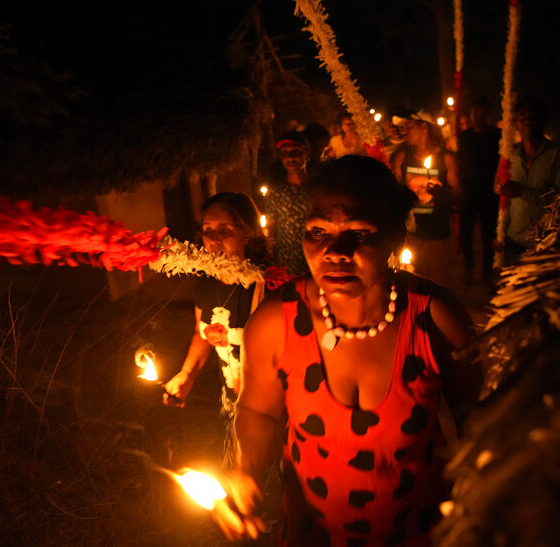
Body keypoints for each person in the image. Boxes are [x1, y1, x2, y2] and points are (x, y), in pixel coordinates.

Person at [213, 156, 482, 545]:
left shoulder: (435, 317)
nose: (334, 252)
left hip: (418, 531)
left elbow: (476, 419)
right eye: (318, 231)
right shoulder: (276, 321)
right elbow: (258, 410)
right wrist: (245, 470)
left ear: (396, 237)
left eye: (357, 233)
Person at [163, 193, 269, 412]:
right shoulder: (207, 279)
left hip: (265, 406)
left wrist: (252, 379)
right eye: (207, 231)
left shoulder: (263, 284)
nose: (213, 240)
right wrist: (187, 374)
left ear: (247, 234)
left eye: (224, 230)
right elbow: (201, 332)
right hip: (230, 401)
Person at [496, 99, 560, 264]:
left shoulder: (558, 154)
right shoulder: (509, 156)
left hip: (546, 243)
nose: (527, 121)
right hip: (513, 243)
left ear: (543, 120)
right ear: (516, 124)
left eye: (532, 117)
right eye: (522, 118)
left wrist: (523, 192)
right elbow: (504, 199)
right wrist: (500, 233)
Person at [390, 110, 460, 289]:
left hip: (436, 235)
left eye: (409, 127)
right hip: (407, 236)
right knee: (406, 287)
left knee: (436, 287)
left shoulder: (446, 159)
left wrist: (441, 192)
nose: (404, 132)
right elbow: (391, 193)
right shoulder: (402, 157)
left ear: (424, 127)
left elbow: (459, 198)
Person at [456, 97, 501, 287]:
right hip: (468, 191)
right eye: (476, 114)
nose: (479, 117)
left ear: (488, 115)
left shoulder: (497, 135)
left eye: (483, 114)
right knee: (465, 234)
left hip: (489, 192)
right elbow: (460, 162)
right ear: (471, 115)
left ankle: (486, 272)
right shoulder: (464, 137)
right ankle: (469, 268)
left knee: (488, 234)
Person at [265, 134, 311, 276]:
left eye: (295, 152)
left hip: (314, 255)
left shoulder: (317, 188)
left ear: (307, 154)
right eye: (285, 153)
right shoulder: (276, 190)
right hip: (287, 259)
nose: (290, 157)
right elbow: (271, 224)